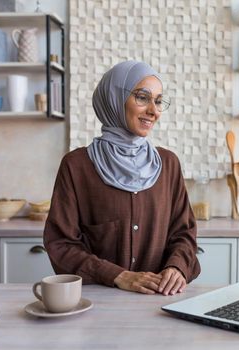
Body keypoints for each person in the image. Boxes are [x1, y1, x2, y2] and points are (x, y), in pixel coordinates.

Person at [44, 60, 200, 296]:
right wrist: (116, 275)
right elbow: (61, 244)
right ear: (114, 99)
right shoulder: (77, 166)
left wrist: (177, 267)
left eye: (158, 101)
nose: (154, 111)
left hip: (160, 300)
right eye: (142, 97)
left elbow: (183, 234)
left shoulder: (168, 165)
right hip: (97, 302)